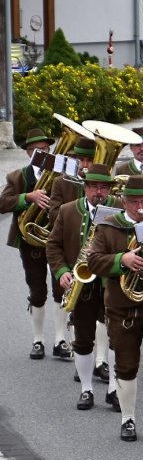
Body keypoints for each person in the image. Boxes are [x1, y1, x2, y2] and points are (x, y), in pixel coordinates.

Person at [86, 176, 143, 443]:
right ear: (123, 202)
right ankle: (128, 419)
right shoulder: (108, 227)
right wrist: (121, 259)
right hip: (122, 306)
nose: (141, 207)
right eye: (135, 201)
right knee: (126, 366)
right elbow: (93, 261)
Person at [46, 164, 114, 410]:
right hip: (81, 283)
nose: (99, 192)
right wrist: (62, 271)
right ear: (85, 188)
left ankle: (114, 388)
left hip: (110, 283)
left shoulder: (117, 209)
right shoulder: (67, 211)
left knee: (116, 338)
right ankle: (86, 389)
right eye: (95, 186)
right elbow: (52, 246)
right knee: (83, 339)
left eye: (104, 187)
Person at [0, 127, 72, 361]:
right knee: (37, 289)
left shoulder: (60, 174)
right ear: (27, 153)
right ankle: (38, 340)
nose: (40, 153)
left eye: (44, 149)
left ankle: (60, 339)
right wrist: (27, 198)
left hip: (57, 240)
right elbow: (2, 203)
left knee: (61, 288)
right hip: (30, 242)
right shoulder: (17, 176)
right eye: (35, 150)